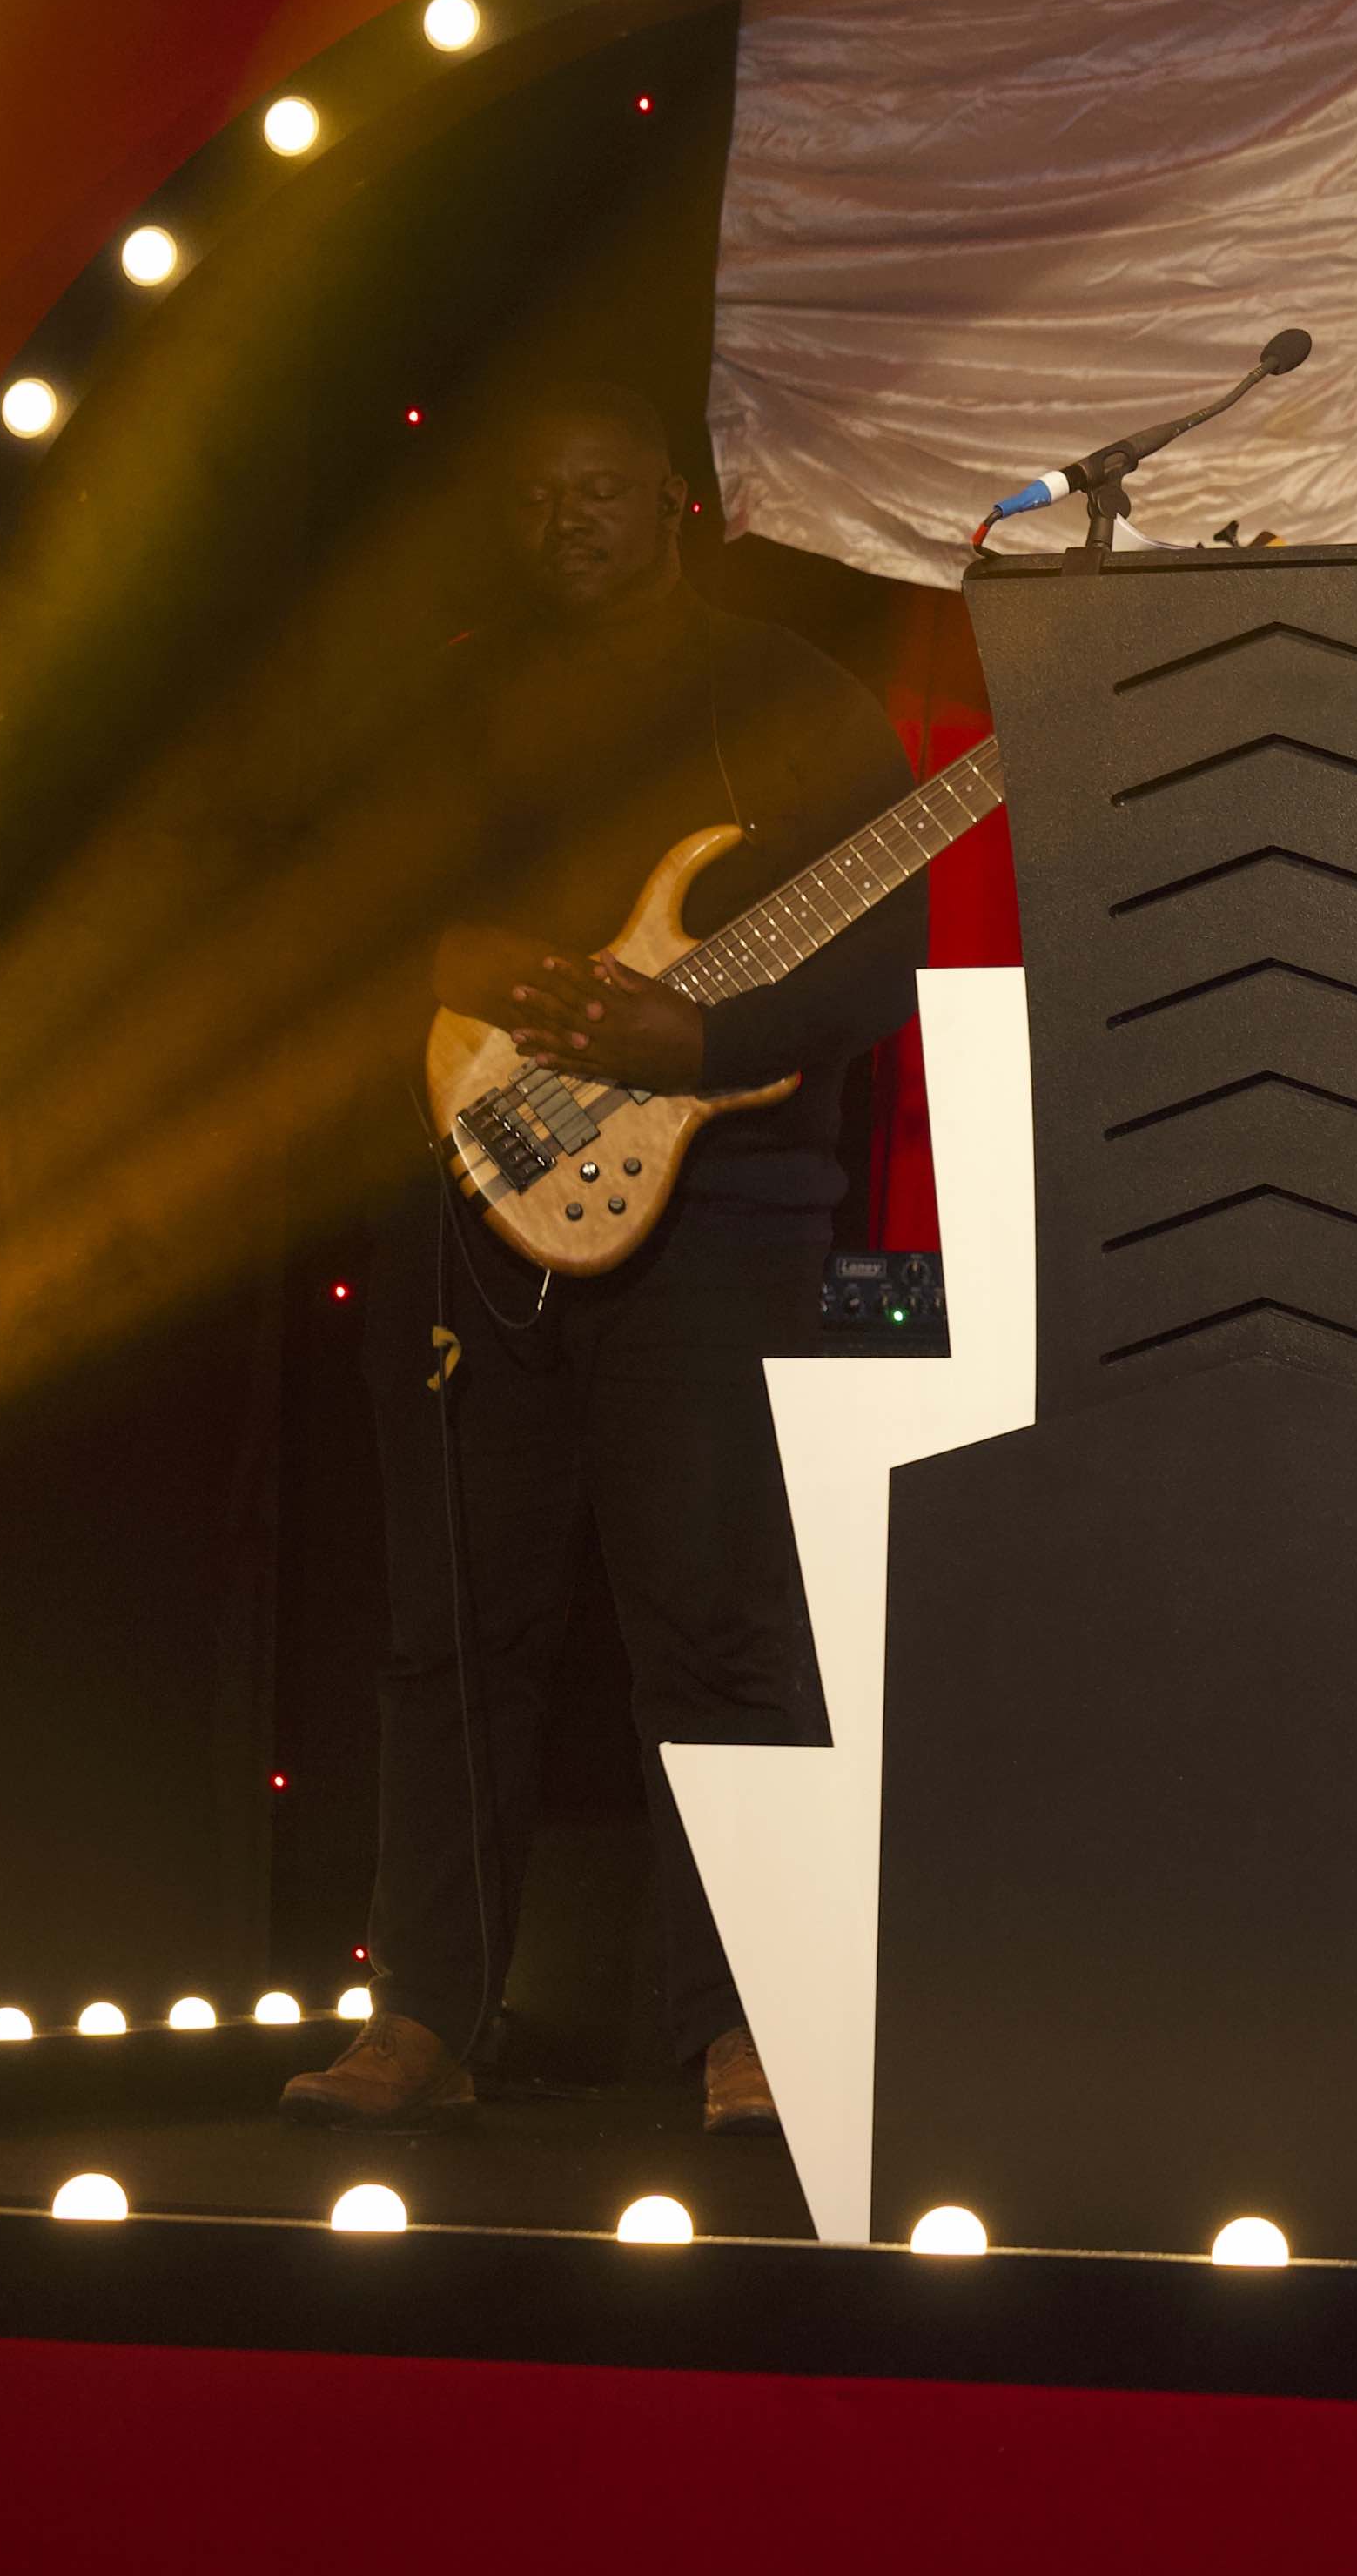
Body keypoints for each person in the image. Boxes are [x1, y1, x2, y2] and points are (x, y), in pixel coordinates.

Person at [286, 386, 927, 2135]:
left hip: (723, 1216)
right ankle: (423, 2017)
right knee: (452, 1631)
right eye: (535, 496)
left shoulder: (789, 695)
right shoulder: (453, 698)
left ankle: (746, 2026)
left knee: (716, 1625)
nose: (566, 518)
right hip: (465, 1197)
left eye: (598, 488)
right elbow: (330, 911)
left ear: (673, 501)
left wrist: (697, 1043)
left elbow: (882, 954)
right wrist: (461, 956)